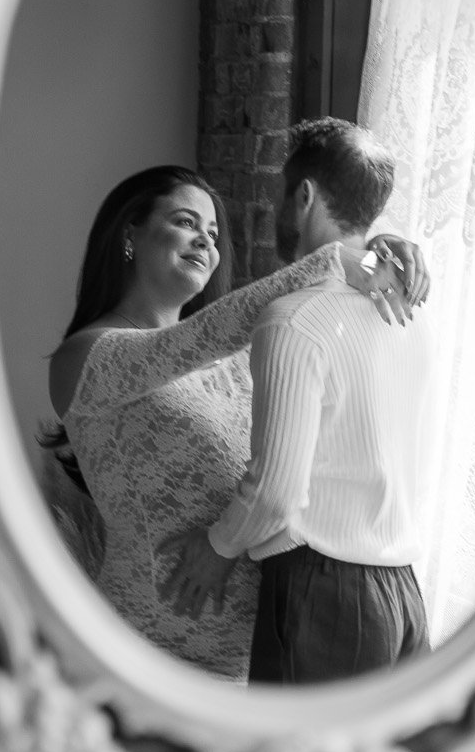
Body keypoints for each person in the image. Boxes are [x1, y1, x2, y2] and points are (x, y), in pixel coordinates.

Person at [44, 164, 427, 683]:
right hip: (145, 658)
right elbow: (197, 338)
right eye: (186, 222)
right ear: (129, 234)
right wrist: (338, 258)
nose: (205, 239)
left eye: (213, 232)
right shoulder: (83, 358)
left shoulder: (232, 360)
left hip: (261, 657)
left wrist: (380, 250)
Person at [164, 119, 433, 686]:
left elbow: (277, 492)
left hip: (325, 600)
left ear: (304, 195)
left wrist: (218, 547)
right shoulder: (408, 314)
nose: (275, 211)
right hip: (403, 596)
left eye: (279, 195)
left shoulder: (293, 319)